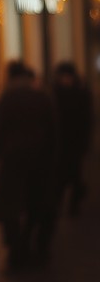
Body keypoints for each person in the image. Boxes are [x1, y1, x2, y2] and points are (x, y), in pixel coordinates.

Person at [0, 61, 59, 272]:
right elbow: (53, 130)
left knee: (11, 205)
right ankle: (32, 242)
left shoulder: (7, 97)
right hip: (40, 159)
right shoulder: (42, 96)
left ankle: (16, 248)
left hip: (12, 159)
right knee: (36, 203)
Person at [51, 61, 94, 216]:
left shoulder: (80, 93)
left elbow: (87, 120)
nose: (65, 80)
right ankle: (58, 205)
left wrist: (85, 142)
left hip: (75, 142)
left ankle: (73, 206)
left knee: (75, 176)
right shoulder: (54, 93)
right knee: (61, 177)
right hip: (61, 143)